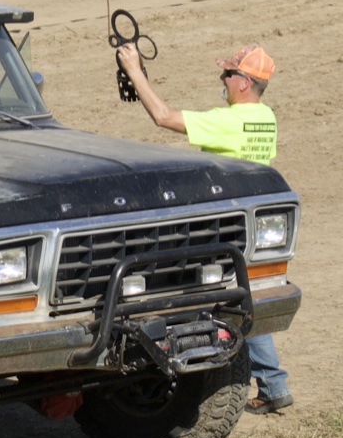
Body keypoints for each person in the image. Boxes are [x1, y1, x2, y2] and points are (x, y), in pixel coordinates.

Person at [114, 40, 291, 413]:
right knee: (246, 296)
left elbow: (163, 116)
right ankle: (273, 384)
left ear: (244, 82)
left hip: (225, 228)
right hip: (253, 222)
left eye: (227, 74)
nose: (222, 79)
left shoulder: (230, 122)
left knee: (218, 299)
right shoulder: (266, 117)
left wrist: (134, 72)